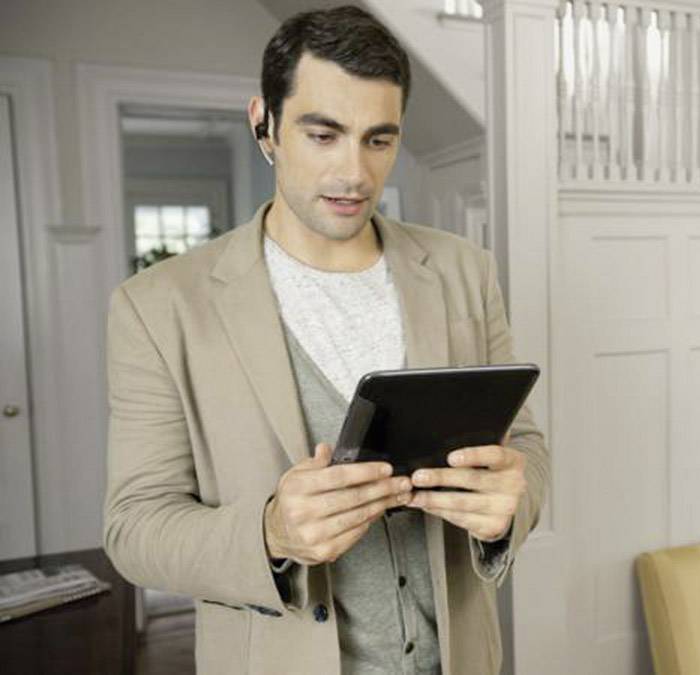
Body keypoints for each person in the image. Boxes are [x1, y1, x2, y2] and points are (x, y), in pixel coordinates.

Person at [102, 6, 548, 674]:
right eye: (323, 134)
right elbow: (133, 528)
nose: (354, 174)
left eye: (377, 139)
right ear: (264, 125)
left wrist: (514, 501)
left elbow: (527, 448)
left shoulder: (464, 268)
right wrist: (271, 530)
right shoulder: (157, 305)